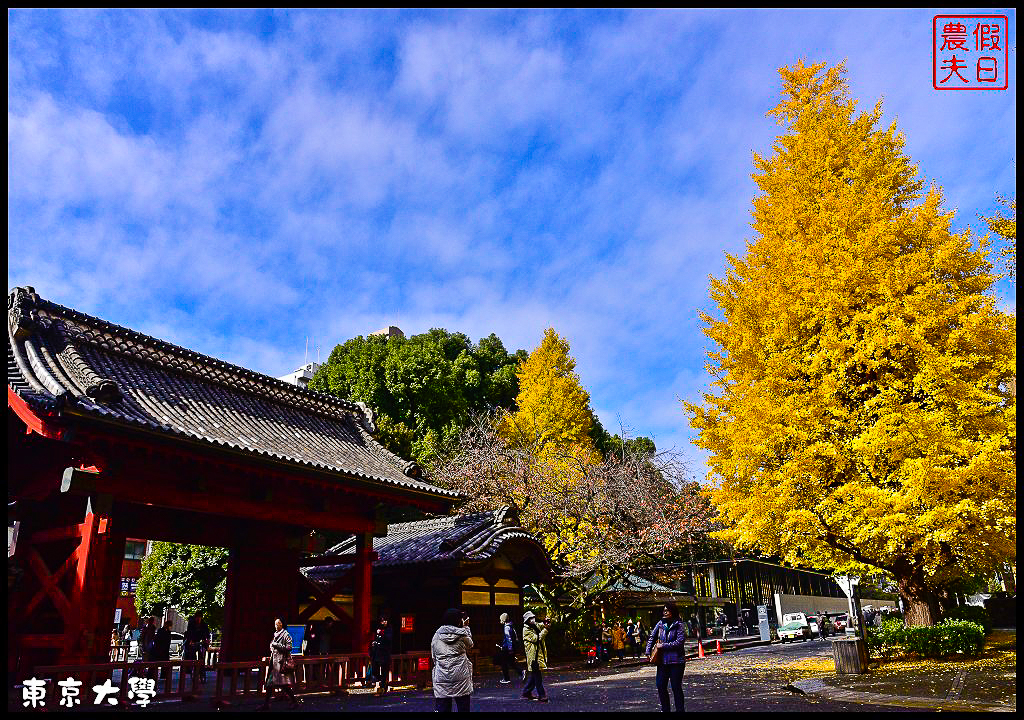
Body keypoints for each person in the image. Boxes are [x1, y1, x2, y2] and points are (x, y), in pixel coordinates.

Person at [431, 608, 474, 712]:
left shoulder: (436, 635)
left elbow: (434, 657)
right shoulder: (462, 635)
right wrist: (466, 627)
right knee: (463, 706)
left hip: (442, 676)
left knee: (443, 706)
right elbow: (470, 644)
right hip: (461, 675)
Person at [646, 603, 686, 713]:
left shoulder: (679, 625)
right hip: (662, 661)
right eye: (664, 610)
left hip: (677, 661)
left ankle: (680, 710)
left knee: (676, 687)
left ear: (673, 612)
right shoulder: (660, 624)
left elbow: (679, 642)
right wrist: (648, 651)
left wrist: (663, 646)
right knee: (660, 685)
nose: (665, 612)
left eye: (667, 610)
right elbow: (652, 637)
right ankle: (665, 709)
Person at [259, 618, 298, 711]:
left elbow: (289, 647)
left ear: (282, 624)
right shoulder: (275, 635)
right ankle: (266, 704)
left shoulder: (286, 635)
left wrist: (276, 645)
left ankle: (294, 702)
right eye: (275, 623)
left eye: (279, 623)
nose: (276, 625)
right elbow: (272, 646)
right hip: (274, 663)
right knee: (269, 684)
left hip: (281, 663)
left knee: (284, 685)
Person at [521, 611, 549, 702]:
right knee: (537, 676)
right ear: (527, 620)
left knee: (534, 676)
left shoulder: (533, 626)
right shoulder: (526, 630)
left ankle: (526, 692)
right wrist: (546, 630)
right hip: (533, 657)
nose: (533, 619)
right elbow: (536, 639)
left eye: (533, 617)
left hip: (537, 655)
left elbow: (540, 625)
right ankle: (542, 695)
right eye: (530, 618)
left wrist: (545, 623)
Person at [369, 616, 393, 695]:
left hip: (385, 653)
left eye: (385, 620)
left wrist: (382, 633)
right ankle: (380, 682)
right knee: (375, 670)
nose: (384, 622)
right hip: (377, 653)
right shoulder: (378, 629)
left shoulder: (389, 629)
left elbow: (389, 639)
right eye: (382, 621)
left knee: (384, 671)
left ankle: (382, 687)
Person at [496, 612, 520, 683]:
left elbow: (508, 638)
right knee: (511, 662)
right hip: (510, 648)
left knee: (504, 663)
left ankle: (506, 678)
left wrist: (510, 648)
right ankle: (521, 672)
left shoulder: (506, 627)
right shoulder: (511, 626)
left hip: (506, 648)